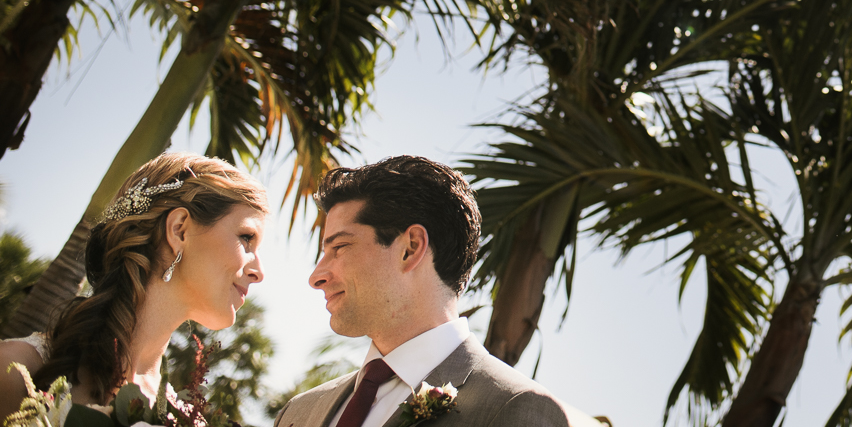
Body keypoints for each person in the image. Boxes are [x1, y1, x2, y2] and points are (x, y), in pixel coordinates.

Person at [274, 156, 593, 427]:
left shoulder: (516, 409)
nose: (316, 276)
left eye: (340, 247)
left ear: (411, 248)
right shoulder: (300, 412)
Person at [0, 152, 268, 423]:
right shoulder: (14, 372)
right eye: (246, 238)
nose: (259, 272)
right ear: (179, 230)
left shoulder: (187, 420)